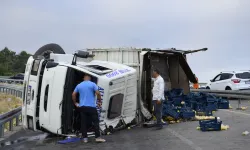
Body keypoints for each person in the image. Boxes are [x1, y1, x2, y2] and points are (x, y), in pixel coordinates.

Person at [72, 74, 106, 143]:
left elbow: (73, 94)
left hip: (82, 107)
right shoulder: (92, 84)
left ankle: (85, 138)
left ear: (84, 78)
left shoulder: (79, 85)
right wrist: (99, 102)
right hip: (91, 107)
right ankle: (97, 137)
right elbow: (98, 93)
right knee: (95, 122)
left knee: (83, 123)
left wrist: (75, 103)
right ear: (89, 78)